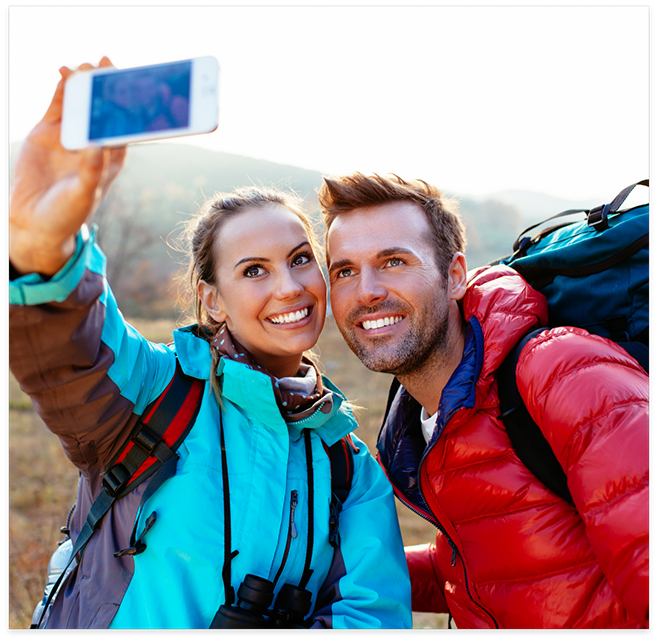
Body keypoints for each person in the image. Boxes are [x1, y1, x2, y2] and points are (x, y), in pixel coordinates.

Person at [8, 59, 412, 629]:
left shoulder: (348, 467)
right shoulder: (158, 394)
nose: (289, 286)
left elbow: (375, 614)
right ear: (213, 299)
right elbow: (70, 349)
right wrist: (41, 248)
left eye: (301, 259)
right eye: (253, 271)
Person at [319, 171, 649, 629]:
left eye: (393, 261)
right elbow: (489, 563)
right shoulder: (416, 425)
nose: (367, 291)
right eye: (345, 271)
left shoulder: (562, 373)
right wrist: (316, 573)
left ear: (455, 277)